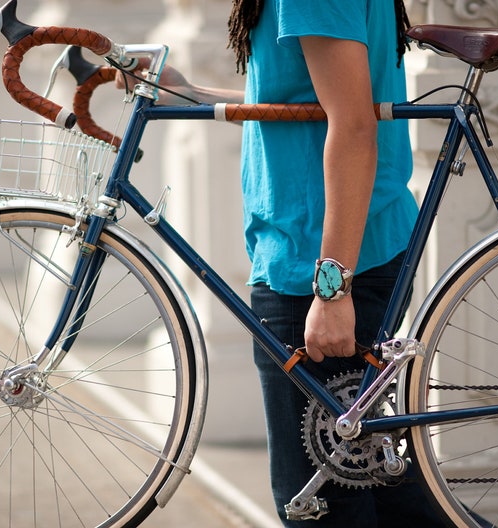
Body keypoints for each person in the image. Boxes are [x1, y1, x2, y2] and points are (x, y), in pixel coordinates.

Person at [119, 1, 444, 525]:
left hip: (320, 266)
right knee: (378, 488)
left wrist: (332, 291)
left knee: (316, 505)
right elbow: (304, 100)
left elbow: (355, 126)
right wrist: (190, 93)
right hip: (333, 254)